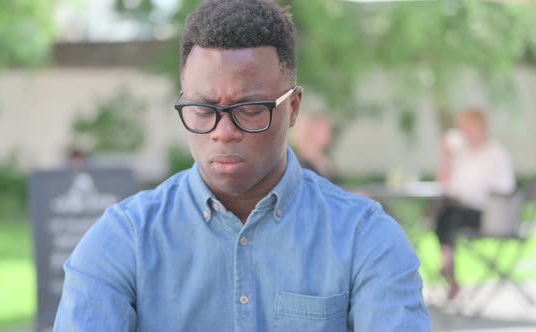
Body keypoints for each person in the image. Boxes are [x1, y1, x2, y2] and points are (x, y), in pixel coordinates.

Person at [54, 0, 430, 330]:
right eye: (203, 110)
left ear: (293, 107)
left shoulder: (366, 240)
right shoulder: (122, 242)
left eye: (250, 109)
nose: (224, 131)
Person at [435, 108, 515, 300]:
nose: (466, 133)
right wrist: (447, 156)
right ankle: (449, 268)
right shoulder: (463, 154)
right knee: (443, 212)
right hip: (460, 209)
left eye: (469, 128)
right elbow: (446, 185)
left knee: (451, 214)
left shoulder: (496, 154)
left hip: (488, 214)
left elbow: (505, 189)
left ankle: (447, 268)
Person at [291, 111, 339, 182]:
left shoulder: (324, 160)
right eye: (323, 129)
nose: (330, 132)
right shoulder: (300, 164)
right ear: (311, 131)